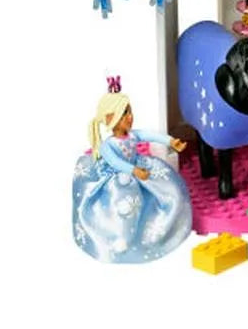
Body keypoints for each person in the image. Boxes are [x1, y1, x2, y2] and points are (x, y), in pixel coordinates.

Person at [72, 77, 192, 262]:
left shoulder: (133, 135)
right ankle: (122, 237)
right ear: (110, 119)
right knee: (125, 202)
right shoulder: (108, 145)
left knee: (167, 185)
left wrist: (170, 141)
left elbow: (149, 135)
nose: (129, 117)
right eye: (124, 114)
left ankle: (166, 225)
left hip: (138, 167)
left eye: (129, 111)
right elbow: (115, 162)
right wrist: (133, 170)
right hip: (118, 179)